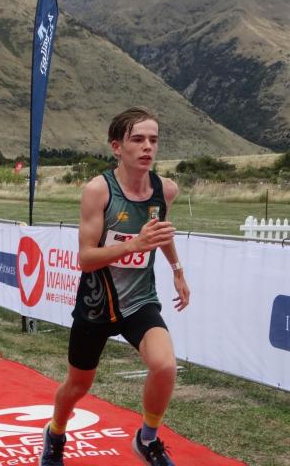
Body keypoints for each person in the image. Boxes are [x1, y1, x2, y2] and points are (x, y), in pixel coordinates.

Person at [40, 107, 190, 466]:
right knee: (78, 387)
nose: (147, 147)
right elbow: (86, 259)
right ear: (116, 146)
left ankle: (147, 439)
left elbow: (160, 232)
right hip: (97, 304)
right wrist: (132, 245)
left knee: (165, 366)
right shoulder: (98, 190)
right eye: (137, 139)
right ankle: (55, 432)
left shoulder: (164, 190)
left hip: (140, 301)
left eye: (153, 140)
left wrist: (178, 270)